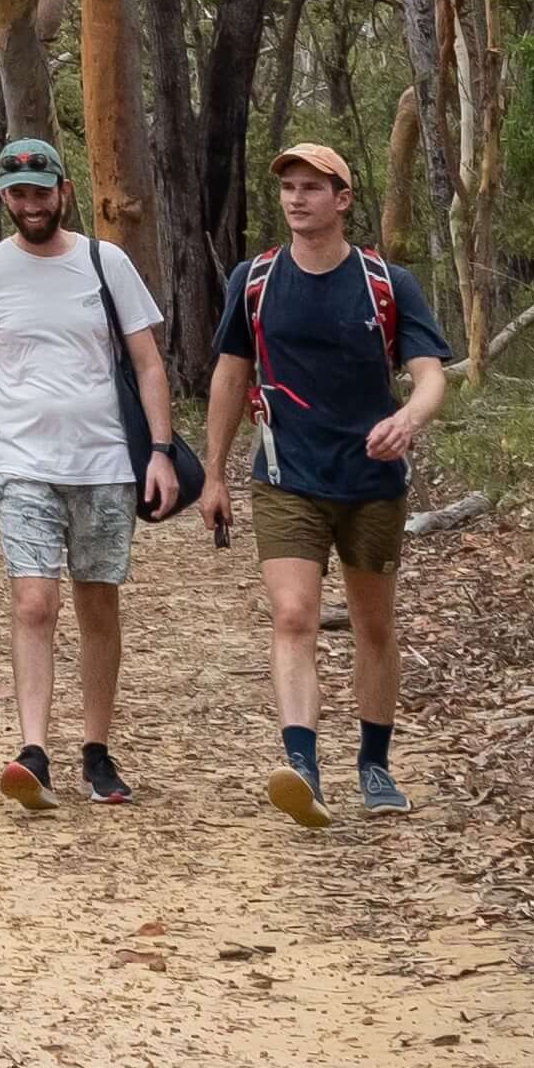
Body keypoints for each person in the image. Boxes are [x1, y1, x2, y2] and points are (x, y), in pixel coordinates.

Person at [219, 136, 458, 818]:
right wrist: (211, 473)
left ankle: (375, 767)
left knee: (372, 625)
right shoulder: (254, 281)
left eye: (312, 188)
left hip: (371, 480)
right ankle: (302, 765)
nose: (297, 199)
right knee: (293, 615)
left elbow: (430, 375)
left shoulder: (386, 283)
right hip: (284, 474)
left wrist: (409, 419)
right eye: (289, 188)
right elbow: (230, 376)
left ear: (342, 199)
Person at [0, 133, 173, 810]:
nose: (31, 203)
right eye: (18, 192)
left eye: (41, 190)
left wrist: (159, 450)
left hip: (103, 462)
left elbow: (148, 363)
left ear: (63, 191)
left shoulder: (107, 263)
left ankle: (96, 750)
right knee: (34, 604)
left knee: (98, 602)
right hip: (25, 464)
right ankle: (32, 750)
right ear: (4, 197)